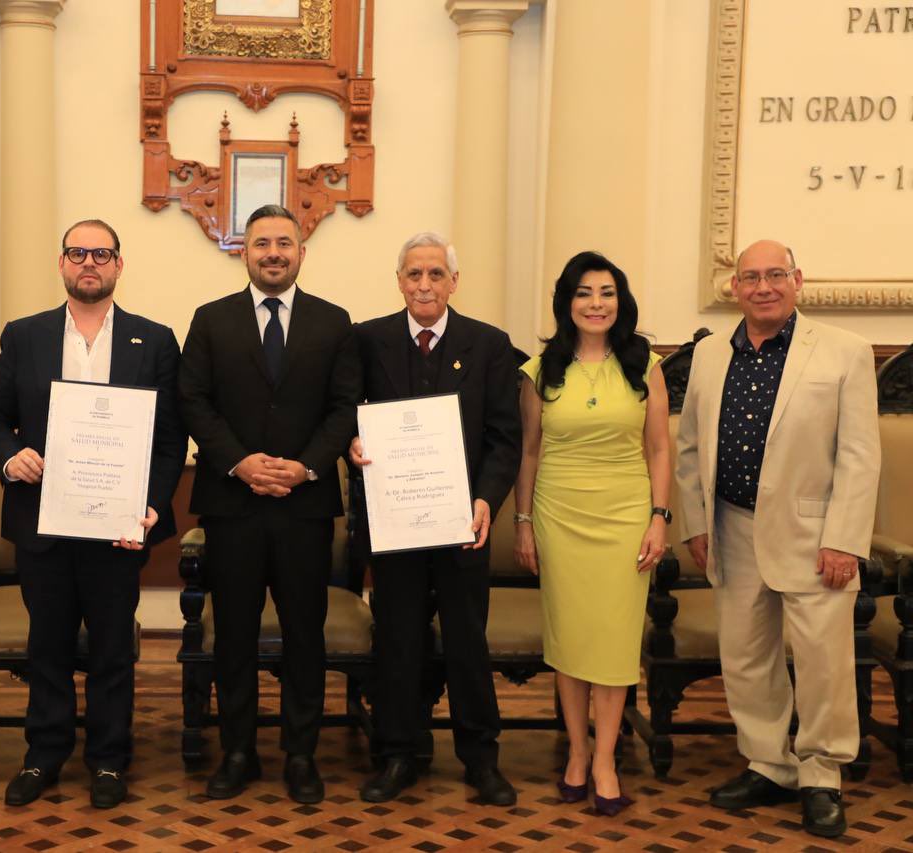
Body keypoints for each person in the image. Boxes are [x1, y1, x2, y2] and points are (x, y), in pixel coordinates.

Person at [0, 219, 186, 809]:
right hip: (43, 522)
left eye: (101, 253)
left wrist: (150, 505)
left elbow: (171, 439)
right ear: (62, 263)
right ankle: (43, 755)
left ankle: (109, 761)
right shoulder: (26, 336)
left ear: (119, 265)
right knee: (46, 646)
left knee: (113, 649)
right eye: (78, 253)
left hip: (118, 526)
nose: (89, 262)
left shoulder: (156, 339)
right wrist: (8, 454)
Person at [675, 239, 879, 838]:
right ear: (734, 288)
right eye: (750, 277)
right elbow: (689, 447)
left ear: (798, 280)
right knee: (745, 656)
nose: (763, 287)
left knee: (822, 664)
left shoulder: (845, 351)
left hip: (816, 536)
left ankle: (821, 776)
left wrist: (844, 538)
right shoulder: (711, 354)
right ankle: (767, 763)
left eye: (775, 275)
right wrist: (696, 523)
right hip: (730, 528)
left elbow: (861, 456)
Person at [178, 204, 361, 804]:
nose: (274, 252)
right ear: (244, 252)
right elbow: (194, 401)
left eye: (285, 242)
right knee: (232, 634)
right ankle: (237, 752)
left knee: (305, 635)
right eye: (262, 243)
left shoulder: (335, 323)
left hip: (305, 508)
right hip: (233, 504)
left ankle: (301, 755)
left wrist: (306, 466)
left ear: (302, 252)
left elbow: (344, 408)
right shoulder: (210, 320)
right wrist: (241, 462)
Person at [348, 232, 523, 805]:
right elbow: (346, 416)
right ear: (399, 281)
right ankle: (398, 753)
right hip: (394, 524)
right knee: (397, 638)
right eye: (413, 274)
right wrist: (351, 443)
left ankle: (481, 758)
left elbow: (503, 439)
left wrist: (485, 501)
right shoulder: (366, 341)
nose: (424, 284)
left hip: (461, 524)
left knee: (466, 641)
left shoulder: (489, 345)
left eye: (435, 275)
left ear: (453, 281)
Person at [513, 251, 670, 816]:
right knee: (572, 639)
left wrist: (659, 517)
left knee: (614, 641)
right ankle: (576, 752)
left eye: (606, 292)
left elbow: (659, 448)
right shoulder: (539, 370)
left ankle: (605, 759)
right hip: (559, 516)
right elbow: (529, 452)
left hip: (627, 518)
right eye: (584, 293)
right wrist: (524, 522)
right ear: (567, 303)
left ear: (619, 301)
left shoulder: (645, 365)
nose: (596, 303)